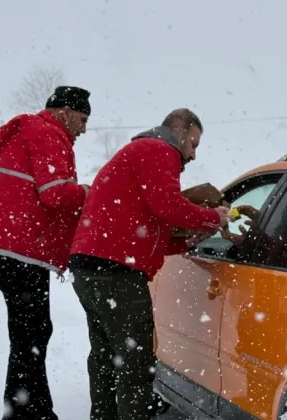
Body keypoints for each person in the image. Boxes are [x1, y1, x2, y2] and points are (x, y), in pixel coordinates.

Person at [67, 108, 229, 420]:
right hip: (116, 273)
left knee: (105, 357)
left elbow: (146, 228)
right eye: (193, 144)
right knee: (135, 363)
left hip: (90, 267)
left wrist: (184, 243)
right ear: (179, 132)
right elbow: (168, 206)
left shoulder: (138, 153)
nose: (193, 154)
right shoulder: (160, 150)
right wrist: (213, 218)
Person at [0, 86, 93, 420]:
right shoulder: (47, 133)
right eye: (82, 119)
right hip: (16, 250)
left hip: (8, 248)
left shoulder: (35, 131)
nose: (84, 129)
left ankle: (31, 408)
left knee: (31, 330)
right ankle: (24, 411)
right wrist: (90, 191)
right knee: (31, 331)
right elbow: (55, 194)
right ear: (64, 112)